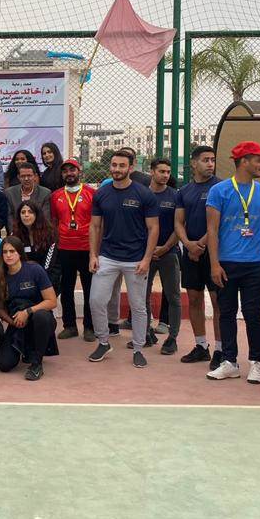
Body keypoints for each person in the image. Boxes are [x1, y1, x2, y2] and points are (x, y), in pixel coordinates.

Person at [206, 141, 260, 383]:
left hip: (255, 263)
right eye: (259, 160)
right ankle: (229, 361)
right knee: (227, 313)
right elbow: (212, 230)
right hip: (226, 264)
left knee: (253, 314)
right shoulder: (219, 190)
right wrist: (214, 264)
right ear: (244, 161)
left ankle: (257, 363)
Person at [87, 150, 159, 368]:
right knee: (96, 301)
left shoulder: (144, 194)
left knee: (138, 306)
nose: (117, 169)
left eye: (121, 165)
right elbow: (95, 226)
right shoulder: (101, 193)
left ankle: (138, 348)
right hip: (107, 257)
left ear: (131, 168)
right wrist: (93, 255)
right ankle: (103, 342)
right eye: (114, 165)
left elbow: (153, 228)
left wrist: (146, 259)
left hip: (136, 260)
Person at [174, 145, 223, 367]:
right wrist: (188, 244)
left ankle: (221, 349)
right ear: (194, 163)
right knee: (194, 299)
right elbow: (178, 222)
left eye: (212, 160)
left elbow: (218, 224)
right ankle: (201, 346)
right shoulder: (184, 191)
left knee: (217, 301)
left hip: (213, 254)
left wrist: (200, 245)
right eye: (205, 160)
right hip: (191, 253)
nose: (210, 164)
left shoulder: (221, 188)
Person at [0, 236, 58, 380]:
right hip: (17, 322)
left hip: (39, 319)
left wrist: (28, 312)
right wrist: (12, 322)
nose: (8, 255)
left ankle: (37, 364)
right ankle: (26, 348)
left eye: (12, 251)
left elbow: (52, 301)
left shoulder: (35, 270)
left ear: (20, 252)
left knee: (41, 316)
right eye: (5, 252)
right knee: (4, 364)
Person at [49, 158, 95, 341]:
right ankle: (70, 326)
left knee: (89, 288)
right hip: (65, 248)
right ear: (62, 174)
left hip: (86, 248)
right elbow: (54, 220)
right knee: (66, 288)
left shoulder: (91, 193)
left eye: (72, 170)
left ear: (79, 171)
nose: (69, 173)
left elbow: (97, 222)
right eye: (65, 171)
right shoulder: (56, 195)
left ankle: (89, 327)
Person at [142, 159, 183, 355]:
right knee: (142, 295)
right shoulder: (142, 194)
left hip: (169, 253)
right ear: (152, 172)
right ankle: (145, 333)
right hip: (145, 255)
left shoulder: (176, 196)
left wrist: (165, 247)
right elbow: (137, 225)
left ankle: (172, 338)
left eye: (168, 172)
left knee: (173, 295)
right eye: (161, 171)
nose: (165, 175)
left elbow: (180, 226)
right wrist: (149, 250)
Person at [12, 201, 59, 293]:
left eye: (30, 212)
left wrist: (39, 281)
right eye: (23, 212)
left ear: (37, 214)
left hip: (48, 277)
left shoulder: (50, 234)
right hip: (24, 278)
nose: (26, 215)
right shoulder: (15, 235)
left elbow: (49, 263)